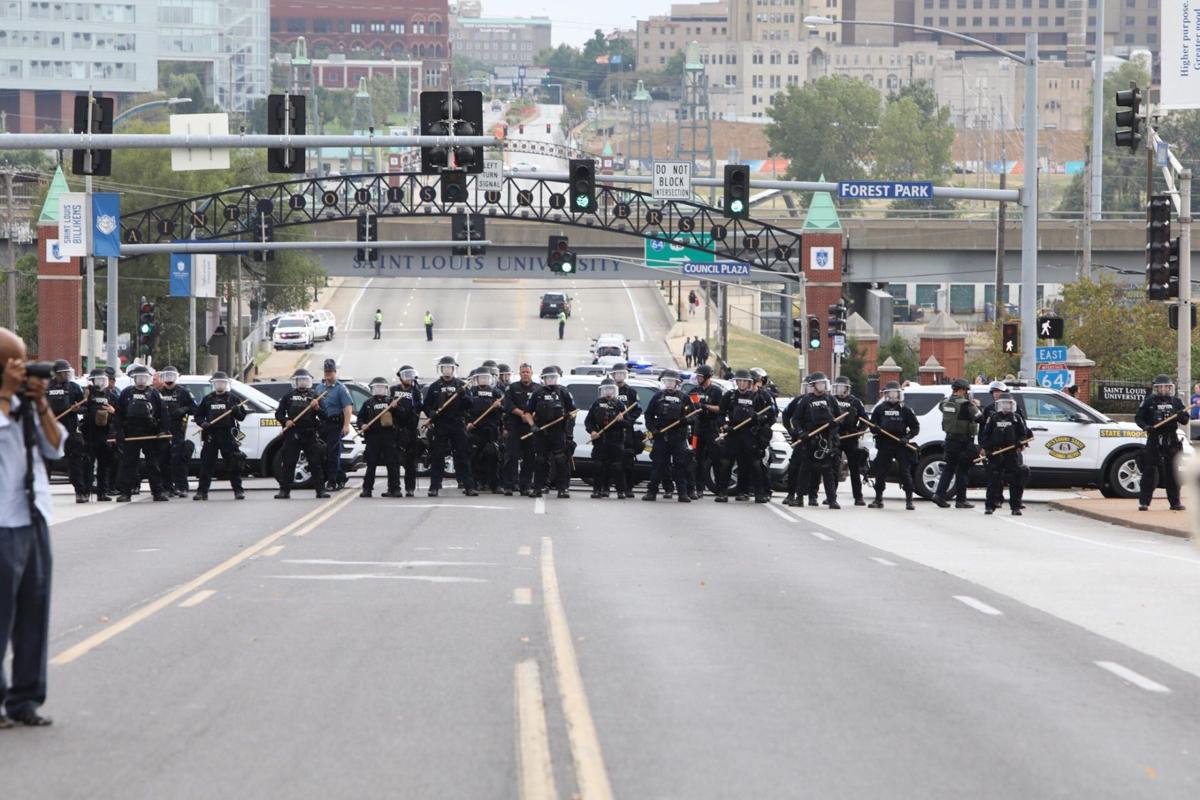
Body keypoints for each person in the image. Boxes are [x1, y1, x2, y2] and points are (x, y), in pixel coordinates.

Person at [0, 328, 65, 728]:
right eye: (14, 362)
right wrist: (6, 397)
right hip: (2, 523)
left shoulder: (26, 405)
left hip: (34, 517)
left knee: (33, 612)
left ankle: (25, 698)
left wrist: (40, 404)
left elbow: (55, 447)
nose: (22, 368)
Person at [114, 364, 171, 503]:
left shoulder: (154, 394)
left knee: (153, 464)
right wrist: (119, 431)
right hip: (131, 433)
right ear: (134, 378)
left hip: (150, 433)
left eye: (144, 377)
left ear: (148, 379)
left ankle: (157, 492)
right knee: (128, 464)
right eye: (138, 377)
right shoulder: (126, 393)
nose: (141, 380)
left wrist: (164, 430)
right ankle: (125, 493)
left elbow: (163, 413)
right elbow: (118, 414)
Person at [716, 369, 773, 503]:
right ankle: (722, 492)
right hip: (733, 433)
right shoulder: (729, 396)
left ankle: (755, 493)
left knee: (754, 464)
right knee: (726, 463)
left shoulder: (757, 397)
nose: (742, 384)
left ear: (749, 383)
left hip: (750, 434)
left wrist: (758, 418)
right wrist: (725, 426)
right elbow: (720, 414)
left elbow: (769, 416)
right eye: (739, 381)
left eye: (744, 382)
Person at [423, 355, 477, 497]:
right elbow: (426, 405)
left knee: (462, 455)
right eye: (444, 368)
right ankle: (434, 486)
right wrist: (431, 413)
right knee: (437, 456)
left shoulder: (461, 385)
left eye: (449, 368)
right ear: (441, 369)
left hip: (458, 424)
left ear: (454, 369)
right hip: (441, 424)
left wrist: (464, 395)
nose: (447, 370)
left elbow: (470, 404)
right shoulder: (435, 386)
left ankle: (468, 486)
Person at [789, 372, 842, 509]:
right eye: (820, 383)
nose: (823, 386)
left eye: (824, 383)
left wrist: (833, 426)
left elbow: (839, 418)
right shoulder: (805, 400)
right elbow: (795, 419)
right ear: (813, 385)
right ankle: (799, 498)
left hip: (825, 439)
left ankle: (832, 500)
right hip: (809, 438)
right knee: (804, 469)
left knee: (827, 470)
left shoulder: (830, 399)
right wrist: (801, 432)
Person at [1135, 374, 1188, 512]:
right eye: (1160, 387)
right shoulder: (1148, 401)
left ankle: (1175, 502)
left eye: (1166, 386)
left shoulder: (1176, 401)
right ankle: (1144, 502)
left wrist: (1182, 416)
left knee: (1173, 472)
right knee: (1149, 471)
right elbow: (1139, 418)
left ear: (1170, 387)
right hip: (1154, 438)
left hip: (1171, 439)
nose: (1163, 389)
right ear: (1156, 388)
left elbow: (1185, 420)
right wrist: (1146, 427)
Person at [274, 368, 329, 500]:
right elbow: (279, 414)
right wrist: (285, 421)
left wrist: (317, 408)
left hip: (310, 432)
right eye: (300, 380)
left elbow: (325, 416)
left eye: (305, 380)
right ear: (296, 382)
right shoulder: (288, 396)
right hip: (293, 432)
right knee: (289, 462)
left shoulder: (315, 396)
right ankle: (284, 490)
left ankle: (320, 490)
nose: (303, 383)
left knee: (315, 462)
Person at [643, 369, 696, 502]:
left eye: (672, 382)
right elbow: (648, 414)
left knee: (680, 465)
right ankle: (651, 492)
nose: (669, 384)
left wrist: (686, 420)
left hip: (678, 437)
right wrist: (653, 429)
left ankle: (682, 493)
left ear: (677, 383)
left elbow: (694, 416)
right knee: (658, 465)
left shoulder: (684, 398)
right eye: (667, 381)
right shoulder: (658, 396)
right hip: (662, 436)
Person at [192, 371, 246, 501]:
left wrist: (236, 410)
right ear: (213, 384)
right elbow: (198, 415)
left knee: (233, 463)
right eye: (217, 383)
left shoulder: (233, 399)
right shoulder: (208, 399)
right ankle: (202, 492)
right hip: (211, 434)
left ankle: (238, 491)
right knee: (206, 464)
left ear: (226, 384)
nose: (219, 385)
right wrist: (203, 423)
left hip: (227, 435)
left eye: (222, 383)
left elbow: (242, 417)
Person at [868, 381, 920, 510]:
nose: (892, 396)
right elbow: (872, 425)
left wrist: (907, 438)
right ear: (886, 394)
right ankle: (878, 499)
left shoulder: (905, 410)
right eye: (889, 393)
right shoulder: (880, 409)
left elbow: (915, 427)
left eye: (894, 393)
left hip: (900, 444)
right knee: (880, 471)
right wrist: (876, 428)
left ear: (899, 394)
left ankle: (909, 500)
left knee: (905, 472)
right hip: (885, 443)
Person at [526, 366, 576, 499]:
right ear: (544, 379)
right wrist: (532, 426)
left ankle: (563, 489)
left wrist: (568, 420)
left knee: (560, 459)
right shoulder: (537, 393)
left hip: (558, 431)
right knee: (540, 460)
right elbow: (527, 412)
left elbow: (573, 412)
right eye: (549, 377)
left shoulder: (564, 392)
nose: (552, 380)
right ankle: (538, 488)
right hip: (541, 431)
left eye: (554, 377)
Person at [933, 378, 983, 510]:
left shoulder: (945, 403)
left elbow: (943, 407)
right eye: (966, 390)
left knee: (948, 469)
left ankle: (939, 495)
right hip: (964, 442)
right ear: (962, 390)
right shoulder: (967, 405)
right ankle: (961, 500)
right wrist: (977, 405)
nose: (967, 392)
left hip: (949, 440)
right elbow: (980, 418)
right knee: (962, 470)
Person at [979, 392, 1032, 515]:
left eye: (1008, 404)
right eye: (1002, 404)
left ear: (1012, 405)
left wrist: (1020, 443)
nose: (1005, 406)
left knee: (1015, 480)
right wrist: (986, 449)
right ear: (998, 404)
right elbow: (986, 434)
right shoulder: (992, 418)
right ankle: (990, 506)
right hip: (996, 452)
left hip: (1011, 453)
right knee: (993, 480)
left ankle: (1015, 507)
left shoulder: (1016, 418)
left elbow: (1023, 434)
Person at [46, 360, 87, 503]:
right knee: (46, 463)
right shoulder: (46, 387)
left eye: (68, 372)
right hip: (50, 430)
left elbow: (84, 407)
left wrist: (77, 409)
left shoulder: (74, 388)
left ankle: (80, 493)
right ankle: (42, 494)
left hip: (69, 430)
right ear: (56, 374)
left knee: (75, 462)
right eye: (64, 372)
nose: (67, 375)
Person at [357, 377, 401, 498]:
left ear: (386, 389)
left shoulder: (391, 402)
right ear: (373, 389)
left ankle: (394, 489)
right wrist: (363, 425)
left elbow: (401, 417)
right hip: (373, 436)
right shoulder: (368, 403)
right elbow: (360, 418)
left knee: (392, 463)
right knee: (371, 464)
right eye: (377, 388)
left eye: (382, 388)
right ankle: (367, 489)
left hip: (389, 436)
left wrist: (396, 407)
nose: (380, 390)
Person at [156, 366, 196, 499]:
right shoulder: (157, 392)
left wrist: (183, 409)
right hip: (162, 430)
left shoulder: (183, 392)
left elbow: (194, 408)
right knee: (164, 459)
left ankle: (182, 487)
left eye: (171, 376)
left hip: (178, 430)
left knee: (179, 459)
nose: (169, 379)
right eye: (166, 376)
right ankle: (168, 487)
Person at [586, 378, 628, 499]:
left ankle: (621, 491)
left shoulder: (620, 405)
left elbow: (629, 424)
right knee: (598, 465)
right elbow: (589, 421)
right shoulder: (597, 403)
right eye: (606, 389)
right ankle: (598, 490)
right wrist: (592, 431)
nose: (608, 392)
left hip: (616, 440)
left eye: (611, 389)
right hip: (601, 439)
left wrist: (622, 419)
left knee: (617, 466)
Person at [80, 368, 118, 501]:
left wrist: (114, 411)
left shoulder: (111, 395)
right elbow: (81, 409)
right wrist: (83, 403)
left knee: (104, 465)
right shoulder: (88, 394)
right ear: (92, 381)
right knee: (88, 465)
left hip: (106, 434)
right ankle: (85, 492)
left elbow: (120, 413)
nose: (101, 383)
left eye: (103, 380)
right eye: (98, 380)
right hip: (90, 434)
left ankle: (102, 492)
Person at [608, 362, 644, 499]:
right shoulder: (607, 389)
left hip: (626, 432)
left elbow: (637, 410)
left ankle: (628, 488)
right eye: (617, 374)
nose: (619, 376)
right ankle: (610, 488)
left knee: (628, 461)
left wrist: (626, 420)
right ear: (613, 375)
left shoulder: (631, 392)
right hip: (610, 431)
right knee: (610, 462)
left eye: (622, 374)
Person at [466, 367, 504, 493]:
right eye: (481, 377)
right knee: (474, 457)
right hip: (475, 429)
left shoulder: (496, 393)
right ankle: (475, 483)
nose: (483, 380)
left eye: (486, 378)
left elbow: (504, 411)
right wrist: (468, 423)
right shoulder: (471, 392)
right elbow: (464, 409)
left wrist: (499, 406)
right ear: (476, 379)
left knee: (493, 456)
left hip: (491, 430)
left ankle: (495, 484)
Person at [831, 376, 868, 507]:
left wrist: (858, 431)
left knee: (854, 468)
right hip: (835, 437)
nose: (839, 390)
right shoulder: (831, 400)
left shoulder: (855, 402)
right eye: (837, 387)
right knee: (834, 466)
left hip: (850, 438)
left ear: (847, 389)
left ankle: (858, 497)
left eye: (841, 387)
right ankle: (832, 496)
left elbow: (865, 420)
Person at [317, 359, 353, 491]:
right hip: (323, 424)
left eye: (330, 372)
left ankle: (332, 482)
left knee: (332, 453)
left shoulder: (340, 388)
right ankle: (341, 477)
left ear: (335, 372)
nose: (328, 374)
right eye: (326, 371)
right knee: (324, 453)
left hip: (336, 424)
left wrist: (346, 425)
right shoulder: (319, 388)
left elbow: (347, 407)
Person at [502, 363, 537, 496]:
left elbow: (539, 407)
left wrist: (530, 416)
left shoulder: (537, 388)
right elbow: (508, 405)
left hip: (530, 427)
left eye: (527, 372)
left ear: (531, 373)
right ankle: (509, 486)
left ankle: (525, 486)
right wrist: (522, 414)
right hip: (515, 426)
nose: (525, 374)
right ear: (520, 373)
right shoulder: (512, 387)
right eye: (523, 372)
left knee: (529, 457)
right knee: (511, 457)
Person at [690, 364, 724, 500]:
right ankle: (698, 488)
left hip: (712, 429)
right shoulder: (694, 391)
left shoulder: (716, 391)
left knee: (716, 458)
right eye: (697, 376)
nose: (698, 378)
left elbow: (720, 408)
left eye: (700, 376)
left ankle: (720, 489)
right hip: (697, 430)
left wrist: (706, 407)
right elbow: (692, 407)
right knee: (695, 458)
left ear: (707, 377)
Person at [389, 366, 423, 497]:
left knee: (410, 461)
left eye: (411, 375)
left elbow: (419, 407)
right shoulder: (393, 390)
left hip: (410, 430)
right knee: (394, 460)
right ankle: (394, 488)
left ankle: (410, 488)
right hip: (396, 430)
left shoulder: (415, 392)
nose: (408, 378)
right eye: (406, 375)